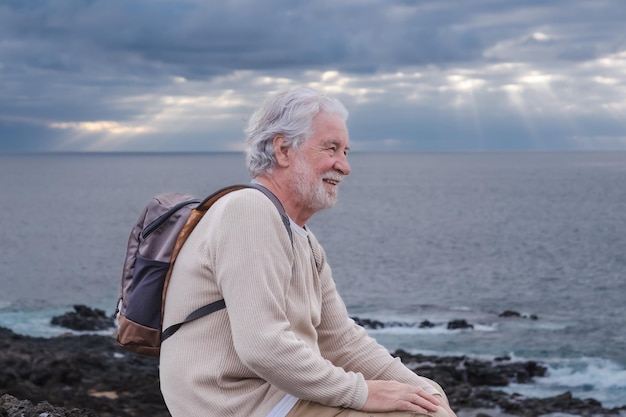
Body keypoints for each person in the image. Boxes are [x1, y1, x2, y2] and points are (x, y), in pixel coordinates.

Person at [159, 87, 456, 417]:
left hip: (277, 397)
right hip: (239, 405)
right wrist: (362, 392)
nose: (344, 166)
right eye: (331, 149)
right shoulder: (248, 211)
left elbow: (340, 340)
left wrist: (424, 390)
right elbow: (263, 346)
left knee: (426, 405)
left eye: (345, 152)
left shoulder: (302, 239)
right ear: (284, 150)